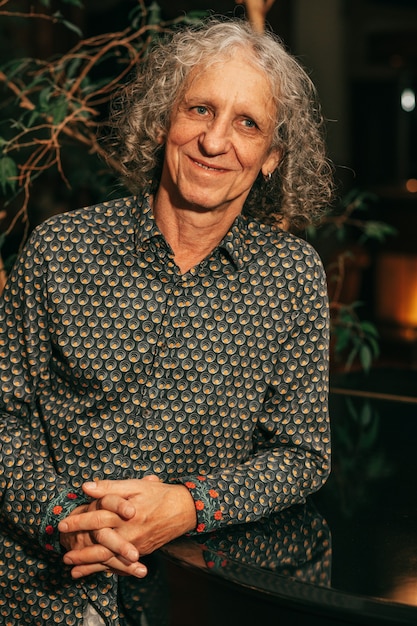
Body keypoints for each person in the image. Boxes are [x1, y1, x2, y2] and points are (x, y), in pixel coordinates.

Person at [0, 17, 333, 626]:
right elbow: (4, 416)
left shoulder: (292, 276)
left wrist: (189, 506)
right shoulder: (59, 249)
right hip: (39, 594)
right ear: (161, 122)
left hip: (201, 599)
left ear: (270, 159)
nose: (214, 142)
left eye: (247, 123)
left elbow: (302, 453)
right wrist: (61, 520)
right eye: (200, 110)